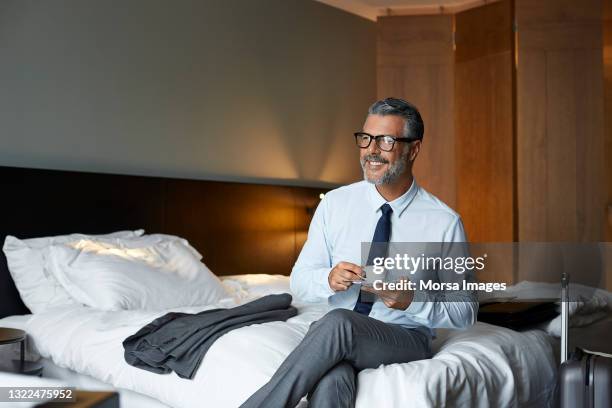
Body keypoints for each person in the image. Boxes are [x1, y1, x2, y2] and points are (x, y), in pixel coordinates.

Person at [240, 97, 478, 408]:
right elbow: (299, 282)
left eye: (386, 140)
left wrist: (413, 300)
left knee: (338, 324)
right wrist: (328, 278)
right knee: (332, 374)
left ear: (413, 149)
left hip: (402, 337)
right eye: (365, 138)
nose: (371, 150)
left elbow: (466, 309)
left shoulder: (444, 222)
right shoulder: (335, 205)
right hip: (336, 335)